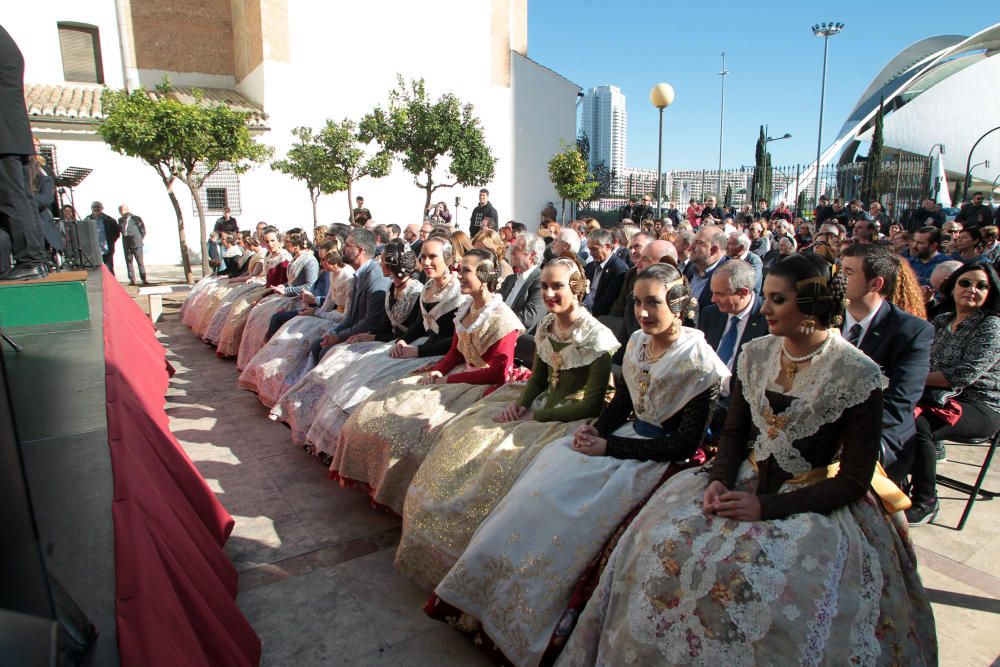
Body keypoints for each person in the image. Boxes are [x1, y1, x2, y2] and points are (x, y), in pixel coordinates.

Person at [557, 253, 937, 667]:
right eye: (766, 297)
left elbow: (854, 480)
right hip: (744, 478)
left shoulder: (856, 372)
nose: (765, 307)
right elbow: (735, 433)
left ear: (810, 305)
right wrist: (719, 479)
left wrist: (765, 506)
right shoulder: (756, 353)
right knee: (656, 546)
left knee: (768, 585)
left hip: (816, 500)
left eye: (777, 299)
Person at [431, 263, 728, 667]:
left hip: (659, 459)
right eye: (638, 302)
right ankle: (487, 593)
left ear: (678, 303)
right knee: (541, 483)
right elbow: (622, 403)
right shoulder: (639, 341)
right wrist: (596, 433)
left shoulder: (700, 362)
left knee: (573, 513)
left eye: (653, 303)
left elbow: (683, 443)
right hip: (622, 442)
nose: (642, 313)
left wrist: (608, 447)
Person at [395, 255, 620, 590]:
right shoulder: (547, 325)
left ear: (577, 288)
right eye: (544, 286)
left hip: (572, 416)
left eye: (557, 286)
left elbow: (591, 401)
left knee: (499, 465)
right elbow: (539, 379)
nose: (548, 293)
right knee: (464, 433)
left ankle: (481, 559)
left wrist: (536, 414)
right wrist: (522, 403)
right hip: (541, 406)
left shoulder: (596, 336)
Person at [330, 249, 525, 514]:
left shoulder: (502, 318)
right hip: (456, 375)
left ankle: (407, 495)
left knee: (419, 428)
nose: (459, 274)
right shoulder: (467, 307)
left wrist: (449, 379)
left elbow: (497, 374)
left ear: (485, 275)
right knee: (385, 402)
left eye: (466, 270)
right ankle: (376, 478)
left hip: (482, 386)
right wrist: (438, 371)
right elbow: (455, 351)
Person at [303, 237, 467, 460]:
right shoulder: (429, 287)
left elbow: (453, 341)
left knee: (378, 384)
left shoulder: (459, 295)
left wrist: (416, 351)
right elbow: (419, 324)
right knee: (365, 368)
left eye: (433, 257)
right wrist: (403, 341)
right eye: (424, 256)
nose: (427, 262)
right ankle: (335, 440)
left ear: (447, 258)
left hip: (438, 355)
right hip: (416, 346)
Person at [903, 261, 1000, 525]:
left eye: (982, 286)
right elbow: (919, 356)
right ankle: (896, 490)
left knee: (917, 423)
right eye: (965, 283)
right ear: (953, 287)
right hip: (935, 395)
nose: (972, 289)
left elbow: (963, 376)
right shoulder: (943, 320)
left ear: (990, 292)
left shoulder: (991, 326)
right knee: (891, 410)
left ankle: (926, 500)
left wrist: (913, 377)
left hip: (979, 404)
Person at [840, 244, 934, 475]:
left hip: (876, 433)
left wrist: (837, 433)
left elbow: (899, 402)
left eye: (848, 273)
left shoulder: (910, 332)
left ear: (876, 284)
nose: (838, 280)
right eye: (839, 270)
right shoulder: (823, 317)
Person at [237, 240, 356, 406]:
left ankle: (292, 383)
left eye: (322, 259)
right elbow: (329, 300)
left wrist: (317, 312)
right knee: (294, 324)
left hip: (337, 319)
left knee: (302, 336)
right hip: (326, 313)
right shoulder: (332, 273)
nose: (320, 263)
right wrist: (317, 311)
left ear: (330, 260)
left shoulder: (349, 277)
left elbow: (346, 315)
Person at [0, 25, 49, 280]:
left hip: (4, 136)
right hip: (13, 134)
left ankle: (30, 261)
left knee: (13, 199)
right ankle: (35, 259)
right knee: (23, 199)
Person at [236, 231, 320, 369]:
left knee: (271, 316)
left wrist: (286, 290)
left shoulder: (309, 260)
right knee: (259, 311)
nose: (285, 245)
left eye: (287, 242)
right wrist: (284, 286)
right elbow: (292, 281)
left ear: (296, 244)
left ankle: (269, 357)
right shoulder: (296, 257)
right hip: (289, 296)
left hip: (300, 299)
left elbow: (310, 286)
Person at [311, 228, 389, 363]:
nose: (343, 249)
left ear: (360, 250)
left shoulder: (374, 277)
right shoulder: (360, 273)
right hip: (355, 330)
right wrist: (335, 333)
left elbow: (371, 322)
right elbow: (350, 317)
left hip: (371, 335)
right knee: (317, 344)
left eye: (347, 245)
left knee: (325, 351)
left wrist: (340, 337)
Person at [215, 226, 290, 358]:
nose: (270, 244)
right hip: (266, 287)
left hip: (279, 292)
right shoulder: (268, 254)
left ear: (279, 240)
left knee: (252, 311)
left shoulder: (285, 257)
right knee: (239, 303)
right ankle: (233, 347)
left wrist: (265, 294)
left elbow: (286, 282)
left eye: (273, 241)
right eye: (267, 241)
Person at [499, 232, 545, 332]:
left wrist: (498, 326)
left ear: (532, 255)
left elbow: (529, 317)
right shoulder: (510, 279)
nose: (511, 252)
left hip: (517, 337)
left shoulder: (542, 280)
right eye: (512, 248)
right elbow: (495, 304)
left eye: (517, 249)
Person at [583, 228, 628, 317]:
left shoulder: (619, 270)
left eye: (594, 249)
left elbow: (607, 303)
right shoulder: (590, 266)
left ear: (607, 246)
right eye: (589, 249)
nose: (591, 253)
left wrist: (587, 316)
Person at [683, 224, 730, 306]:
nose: (690, 247)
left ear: (714, 250)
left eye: (698, 242)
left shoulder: (728, 275)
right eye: (693, 241)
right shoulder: (690, 267)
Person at [117, 204, 147, 285]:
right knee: (129, 261)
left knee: (140, 261)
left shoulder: (136, 218)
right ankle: (132, 279)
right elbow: (120, 230)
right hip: (126, 243)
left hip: (136, 242)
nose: (120, 212)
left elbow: (143, 230)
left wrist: (139, 239)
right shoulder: (120, 220)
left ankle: (143, 278)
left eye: (120, 210)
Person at [88, 201, 120, 273]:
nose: (96, 208)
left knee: (109, 269)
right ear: (91, 209)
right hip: (93, 250)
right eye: (94, 207)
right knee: (96, 270)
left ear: (102, 208)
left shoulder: (110, 220)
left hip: (107, 249)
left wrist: (110, 242)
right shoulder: (87, 220)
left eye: (98, 207)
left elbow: (117, 233)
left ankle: (111, 284)